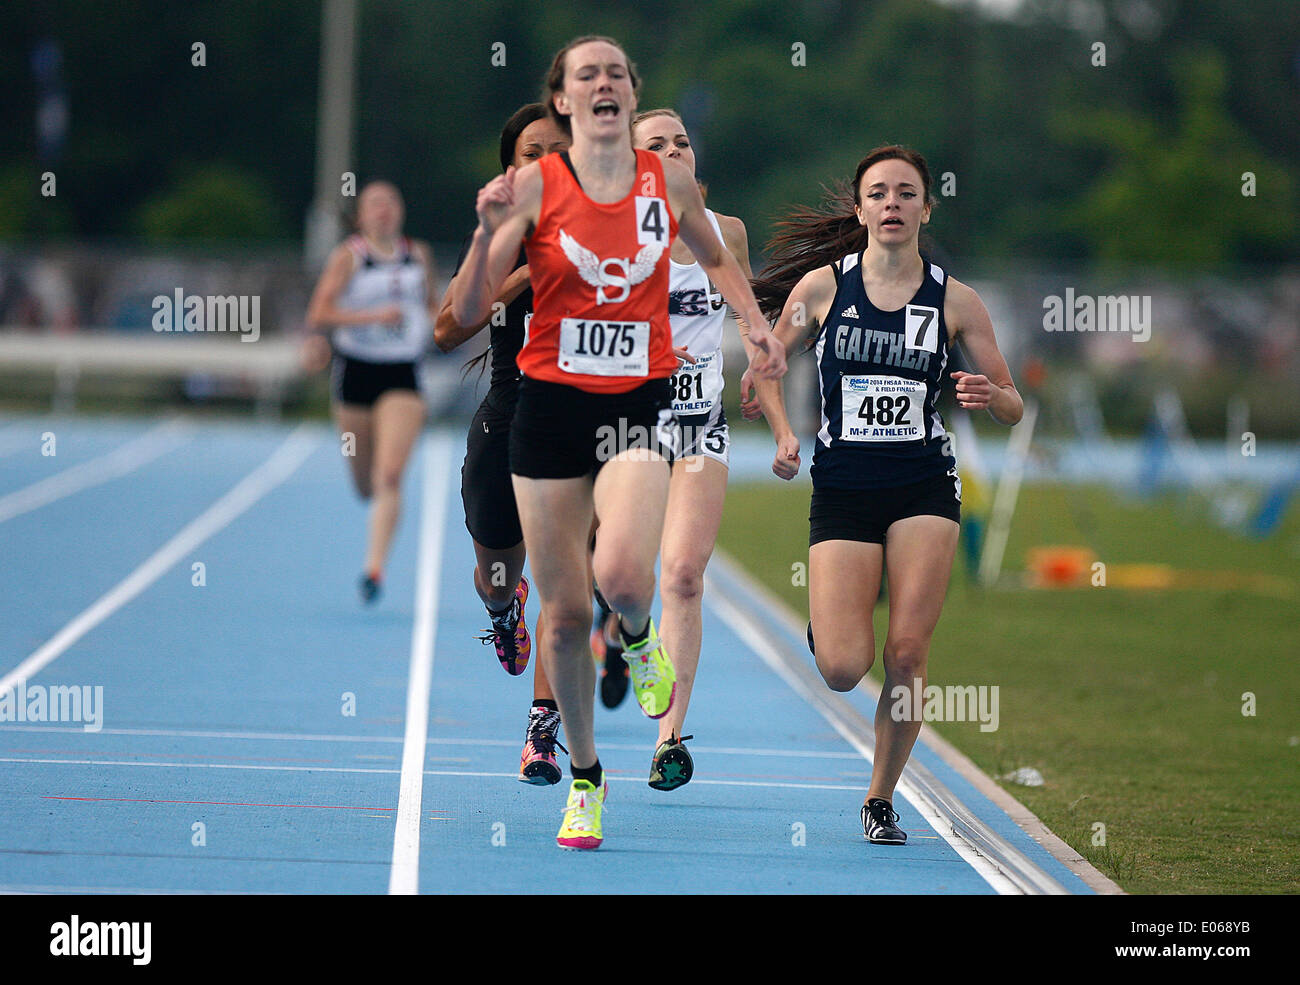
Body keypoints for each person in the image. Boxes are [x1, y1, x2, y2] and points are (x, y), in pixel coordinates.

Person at [451, 35, 785, 850]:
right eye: (584, 74)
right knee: (564, 617)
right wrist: (485, 231)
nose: (602, 83)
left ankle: (637, 639)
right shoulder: (534, 185)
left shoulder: (665, 183)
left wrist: (755, 325)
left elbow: (716, 255)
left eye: (616, 73)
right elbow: (463, 311)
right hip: (550, 410)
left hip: (638, 405)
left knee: (628, 574)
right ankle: (587, 779)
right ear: (564, 102)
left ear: (631, 96)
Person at [748, 146, 1022, 845]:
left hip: (923, 483)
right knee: (844, 666)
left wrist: (992, 395)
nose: (893, 203)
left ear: (926, 208)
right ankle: (835, 614)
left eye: (907, 193)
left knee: (905, 653)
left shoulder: (956, 300)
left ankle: (879, 797)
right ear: (861, 208)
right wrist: (783, 433)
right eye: (879, 193)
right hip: (843, 483)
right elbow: (767, 370)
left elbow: (1014, 403)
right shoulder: (821, 289)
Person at [435, 103, 572, 785]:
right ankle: (500, 608)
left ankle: (541, 735)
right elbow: (446, 329)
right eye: (530, 151)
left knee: (563, 577)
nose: (544, 159)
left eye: (557, 148)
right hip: (508, 415)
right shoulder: (499, 233)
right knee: (498, 572)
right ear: (510, 169)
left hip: (578, 424)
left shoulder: (606, 227)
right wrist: (527, 269)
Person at [630, 108, 754, 790]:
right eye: (657, 143)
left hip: (701, 424)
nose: (675, 150)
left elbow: (746, 311)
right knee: (619, 572)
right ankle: (625, 629)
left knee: (682, 574)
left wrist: (764, 364)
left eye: (682, 141)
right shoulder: (612, 229)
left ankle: (668, 738)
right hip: (627, 424)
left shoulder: (726, 232)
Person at [303, 181, 438, 604]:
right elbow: (319, 312)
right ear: (361, 216)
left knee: (390, 476)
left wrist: (448, 327)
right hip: (356, 374)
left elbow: (434, 306)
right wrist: (372, 316)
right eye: (374, 204)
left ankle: (373, 568)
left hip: (403, 374)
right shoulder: (349, 257)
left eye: (391, 202)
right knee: (365, 486)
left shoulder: (418, 254)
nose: (384, 210)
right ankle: (371, 509)